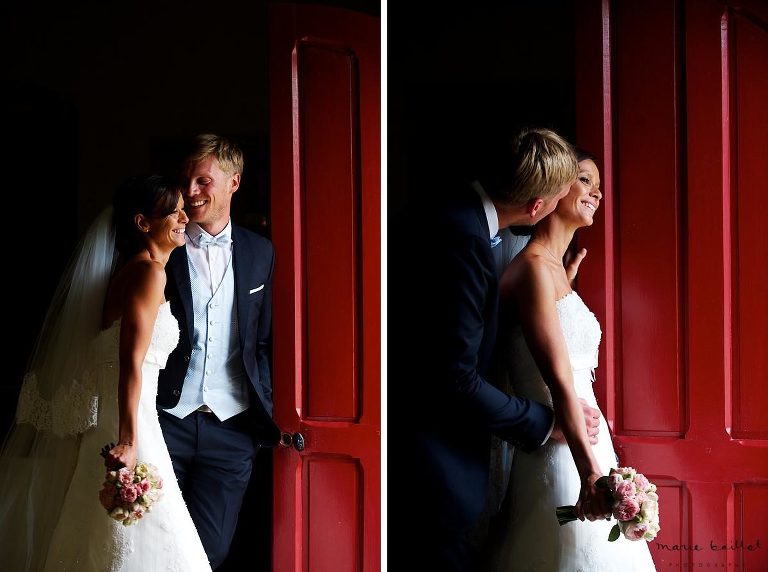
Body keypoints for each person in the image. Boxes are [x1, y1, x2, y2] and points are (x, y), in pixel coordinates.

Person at [389, 128, 606, 571]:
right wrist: (545, 424)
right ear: (535, 207)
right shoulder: (464, 238)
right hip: (435, 451)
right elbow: (455, 375)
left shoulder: (466, 222)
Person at [0, 174, 212, 570]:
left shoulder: (126, 274)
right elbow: (130, 362)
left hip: (120, 422)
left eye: (184, 209)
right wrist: (130, 440)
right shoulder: (149, 274)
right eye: (174, 212)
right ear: (142, 223)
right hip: (131, 426)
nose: (186, 218)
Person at [485, 149, 656, 570]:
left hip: (589, 441)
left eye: (598, 184)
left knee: (583, 540)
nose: (596, 192)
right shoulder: (534, 270)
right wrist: (590, 475)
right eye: (584, 180)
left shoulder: (555, 270)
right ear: (555, 188)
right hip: (561, 450)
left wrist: (568, 288)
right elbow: (559, 380)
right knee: (558, 545)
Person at [156, 133, 280, 569]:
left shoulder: (261, 252)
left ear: (234, 183)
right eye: (186, 180)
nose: (190, 192)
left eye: (203, 181)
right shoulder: (161, 247)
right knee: (151, 542)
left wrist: (263, 399)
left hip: (232, 428)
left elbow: (263, 341)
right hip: (165, 420)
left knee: (211, 552)